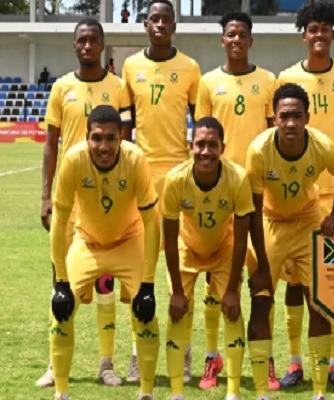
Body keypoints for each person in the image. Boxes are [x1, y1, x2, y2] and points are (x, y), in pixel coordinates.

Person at [38, 18, 132, 389]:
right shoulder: (62, 87)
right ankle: (54, 363)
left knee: (105, 280)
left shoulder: (118, 87)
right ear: (75, 45)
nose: (88, 45)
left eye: (94, 40)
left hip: (105, 203)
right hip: (69, 199)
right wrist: (45, 195)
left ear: (102, 44)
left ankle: (106, 363)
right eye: (82, 40)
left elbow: (128, 141)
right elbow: (50, 144)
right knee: (61, 280)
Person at [246, 83, 334, 400]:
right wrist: (262, 263)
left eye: (297, 116)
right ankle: (263, 386)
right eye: (284, 116)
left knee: (318, 304)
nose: (290, 123)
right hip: (270, 222)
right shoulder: (259, 151)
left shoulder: (321, 145)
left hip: (307, 221)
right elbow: (252, 210)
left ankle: (319, 389)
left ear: (307, 117)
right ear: (275, 118)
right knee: (261, 301)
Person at [49, 105, 160, 400]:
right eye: (96, 138)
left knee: (146, 313)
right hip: (88, 242)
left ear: (121, 137)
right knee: (60, 311)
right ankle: (61, 392)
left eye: (111, 138)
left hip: (128, 240)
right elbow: (59, 222)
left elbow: (152, 222)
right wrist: (60, 281)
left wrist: (148, 284)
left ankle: (146, 393)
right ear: (87, 137)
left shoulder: (135, 160)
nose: (103, 146)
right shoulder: (73, 160)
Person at [193, 11, 279, 391]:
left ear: (250, 40)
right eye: (230, 34)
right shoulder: (208, 82)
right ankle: (213, 357)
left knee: (262, 279)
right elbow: (203, 137)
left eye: (242, 34)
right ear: (222, 40)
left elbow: (275, 136)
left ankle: (266, 356)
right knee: (214, 279)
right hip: (220, 194)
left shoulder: (269, 81)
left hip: (258, 194)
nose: (236, 40)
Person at [162, 116, 273, 400]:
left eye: (212, 145)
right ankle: (176, 392)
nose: (206, 151)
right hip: (187, 249)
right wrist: (177, 291)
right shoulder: (175, 180)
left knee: (232, 311)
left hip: (224, 249)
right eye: (200, 144)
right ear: (191, 146)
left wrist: (233, 289)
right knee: (177, 314)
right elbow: (169, 241)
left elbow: (242, 237)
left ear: (222, 147)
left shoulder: (237, 178)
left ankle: (233, 391)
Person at [276, 0, 334, 388]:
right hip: (297, 197)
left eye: (325, 28)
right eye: (312, 29)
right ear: (303, 36)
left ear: (333, 34)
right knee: (295, 284)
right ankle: (294, 362)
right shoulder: (287, 78)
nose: (319, 34)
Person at [122, 0, 201, 381]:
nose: (159, 25)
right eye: (153, 19)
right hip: (141, 175)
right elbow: (126, 127)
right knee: (141, 270)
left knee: (179, 271)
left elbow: (201, 126)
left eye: (165, 19)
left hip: (178, 175)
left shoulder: (190, 68)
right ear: (145, 25)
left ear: (174, 25)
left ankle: (181, 353)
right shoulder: (130, 66)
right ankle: (139, 353)